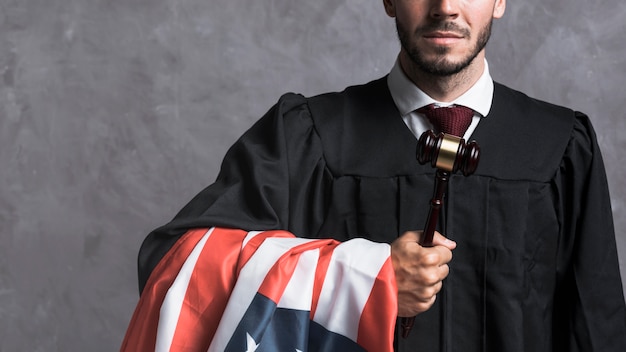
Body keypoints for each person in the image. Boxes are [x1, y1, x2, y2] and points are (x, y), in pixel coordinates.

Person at [134, 0, 626, 351]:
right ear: (388, 0)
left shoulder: (560, 147)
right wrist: (366, 277)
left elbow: (596, 330)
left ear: (500, 1)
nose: (445, 7)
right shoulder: (307, 137)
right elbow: (177, 269)